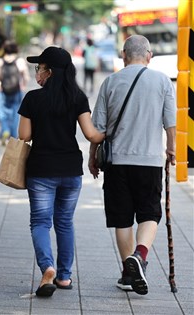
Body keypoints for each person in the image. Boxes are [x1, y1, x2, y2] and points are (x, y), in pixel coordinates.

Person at [88, 35, 176, 295]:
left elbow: (98, 129)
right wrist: (171, 149)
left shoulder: (110, 82)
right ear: (149, 55)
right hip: (149, 161)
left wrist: (92, 156)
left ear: (123, 55)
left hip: (117, 162)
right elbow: (170, 122)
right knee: (150, 213)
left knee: (122, 218)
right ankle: (140, 255)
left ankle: (128, 275)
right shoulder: (162, 81)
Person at [18, 47, 104, 297]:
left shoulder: (32, 99)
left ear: (49, 71)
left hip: (41, 169)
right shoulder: (77, 97)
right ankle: (64, 277)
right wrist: (109, 132)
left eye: (39, 68)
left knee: (40, 222)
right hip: (70, 169)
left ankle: (48, 268)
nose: (37, 73)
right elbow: (91, 135)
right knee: (65, 222)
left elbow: (24, 136)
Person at [0, 40, 30, 145]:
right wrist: (23, 86)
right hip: (17, 90)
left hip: (2, 91)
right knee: (16, 113)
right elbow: (25, 76)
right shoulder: (19, 61)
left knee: (2, 113)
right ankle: (13, 136)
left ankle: (5, 130)